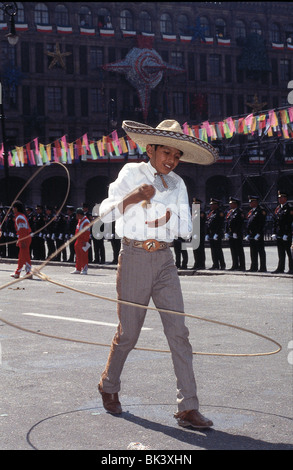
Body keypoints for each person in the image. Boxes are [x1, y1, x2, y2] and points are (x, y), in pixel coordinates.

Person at [97, 119, 218, 429]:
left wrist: (169, 218)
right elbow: (104, 214)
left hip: (164, 259)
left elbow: (189, 231)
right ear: (149, 149)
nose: (171, 160)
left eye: (176, 156)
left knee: (179, 332)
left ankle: (187, 407)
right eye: (166, 153)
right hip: (135, 256)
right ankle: (108, 385)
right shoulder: (130, 173)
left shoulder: (178, 183)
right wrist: (132, 198)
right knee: (129, 333)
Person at [271, 191, 293, 274]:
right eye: (279, 198)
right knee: (280, 252)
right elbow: (275, 222)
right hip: (279, 234)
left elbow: (289, 222)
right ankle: (280, 267)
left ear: (285, 198)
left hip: (286, 234)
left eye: (281, 198)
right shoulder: (278, 209)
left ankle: (291, 268)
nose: (279, 199)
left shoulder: (289, 208)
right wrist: (274, 232)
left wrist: (287, 234)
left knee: (289, 252)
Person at [10, 200, 33, 279]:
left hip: (25, 238)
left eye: (13, 207)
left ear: (16, 208)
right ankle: (28, 272)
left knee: (22, 256)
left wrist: (22, 240)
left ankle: (18, 272)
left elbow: (22, 230)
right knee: (25, 256)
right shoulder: (21, 216)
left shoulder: (19, 217)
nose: (12, 209)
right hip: (25, 237)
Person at [245, 196, 267, 272]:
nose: (250, 203)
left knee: (260, 251)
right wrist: (248, 233)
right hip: (252, 234)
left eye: (251, 202)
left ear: (256, 202)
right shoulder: (252, 211)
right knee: (253, 251)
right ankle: (254, 267)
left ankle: (263, 267)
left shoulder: (261, 210)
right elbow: (249, 223)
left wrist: (259, 233)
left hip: (258, 234)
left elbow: (262, 223)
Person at [225, 197, 245, 271]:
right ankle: (235, 264)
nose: (230, 205)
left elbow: (240, 224)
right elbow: (228, 223)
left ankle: (242, 266)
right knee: (233, 250)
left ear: (235, 204)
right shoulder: (230, 212)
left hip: (237, 234)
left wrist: (235, 232)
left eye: (231, 203)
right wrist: (226, 232)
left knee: (239, 250)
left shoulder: (239, 212)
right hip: (231, 234)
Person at [206, 198, 226, 270]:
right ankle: (215, 264)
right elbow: (209, 224)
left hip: (217, 234)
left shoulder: (219, 213)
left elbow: (220, 224)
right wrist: (207, 233)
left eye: (213, 204)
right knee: (213, 250)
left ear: (216, 205)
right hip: (212, 234)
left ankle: (222, 265)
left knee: (218, 250)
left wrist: (217, 233)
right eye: (211, 204)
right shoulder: (212, 213)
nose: (211, 206)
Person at [71, 207, 91, 275]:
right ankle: (78, 268)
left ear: (79, 215)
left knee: (84, 255)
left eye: (76, 215)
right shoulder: (80, 220)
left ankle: (84, 269)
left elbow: (87, 232)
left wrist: (85, 241)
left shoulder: (86, 221)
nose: (76, 216)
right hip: (78, 240)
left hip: (83, 241)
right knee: (78, 255)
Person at [191, 197, 206, 270]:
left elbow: (201, 224)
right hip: (194, 234)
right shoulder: (194, 213)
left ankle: (201, 264)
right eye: (193, 204)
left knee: (200, 249)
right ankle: (196, 263)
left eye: (196, 204)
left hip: (199, 234)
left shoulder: (201, 213)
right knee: (195, 249)